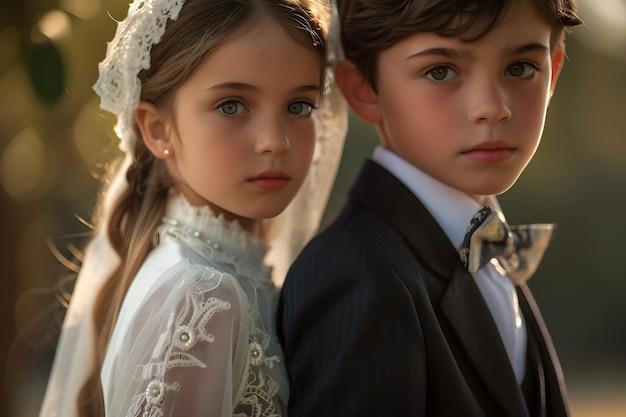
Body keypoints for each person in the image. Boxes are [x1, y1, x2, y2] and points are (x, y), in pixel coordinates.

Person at [38, 0, 347, 416]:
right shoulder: (203, 295)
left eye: (298, 106)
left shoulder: (215, 270)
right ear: (158, 129)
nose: (275, 141)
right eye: (232, 105)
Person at [278, 0, 583, 416]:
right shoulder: (353, 273)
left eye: (520, 68)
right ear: (364, 89)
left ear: (554, 72)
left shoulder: (487, 244)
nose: (492, 108)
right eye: (440, 71)